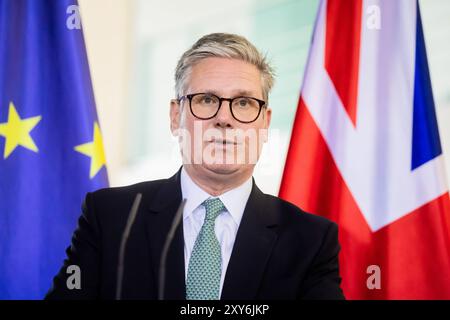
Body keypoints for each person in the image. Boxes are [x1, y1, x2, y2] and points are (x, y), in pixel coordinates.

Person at [45, 33, 345, 300]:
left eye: (243, 103)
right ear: (176, 117)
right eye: (206, 99)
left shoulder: (310, 239)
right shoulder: (110, 216)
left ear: (264, 123)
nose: (224, 118)